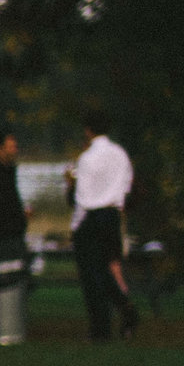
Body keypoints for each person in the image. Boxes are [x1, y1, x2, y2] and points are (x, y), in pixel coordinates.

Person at [68, 109, 138, 340]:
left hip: (92, 218)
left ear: (88, 130)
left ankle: (101, 328)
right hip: (112, 216)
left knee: (92, 275)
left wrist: (75, 226)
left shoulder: (87, 159)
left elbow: (82, 199)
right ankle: (124, 307)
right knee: (108, 269)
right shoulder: (120, 154)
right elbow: (127, 184)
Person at [0, 129, 29, 261]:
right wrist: (19, 217)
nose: (15, 151)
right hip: (6, 241)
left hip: (14, 238)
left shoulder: (9, 175)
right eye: (11, 147)